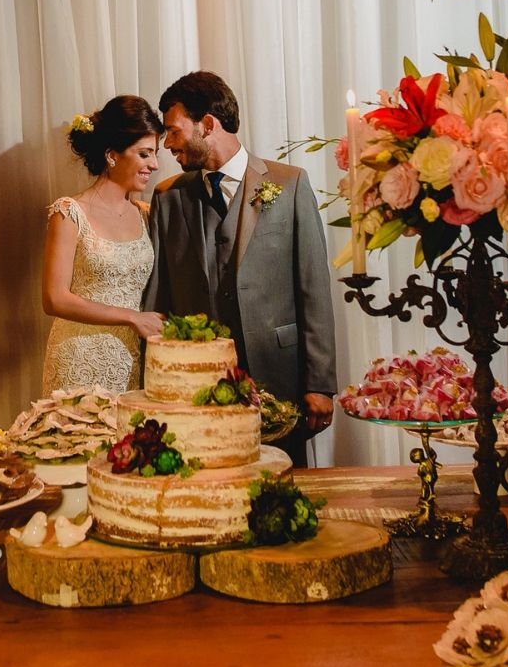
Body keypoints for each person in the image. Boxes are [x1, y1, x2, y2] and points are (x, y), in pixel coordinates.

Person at [144, 71, 336, 466]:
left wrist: (320, 383)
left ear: (208, 125)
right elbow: (158, 297)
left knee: (283, 487)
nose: (167, 146)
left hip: (279, 377)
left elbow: (313, 289)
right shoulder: (167, 198)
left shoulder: (290, 184)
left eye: (173, 132)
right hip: (198, 387)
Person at [41, 96, 166, 394]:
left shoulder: (146, 215)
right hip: (78, 358)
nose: (155, 164)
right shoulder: (69, 212)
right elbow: (54, 299)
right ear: (112, 155)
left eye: (156, 154)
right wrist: (132, 318)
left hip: (131, 358)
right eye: (145, 154)